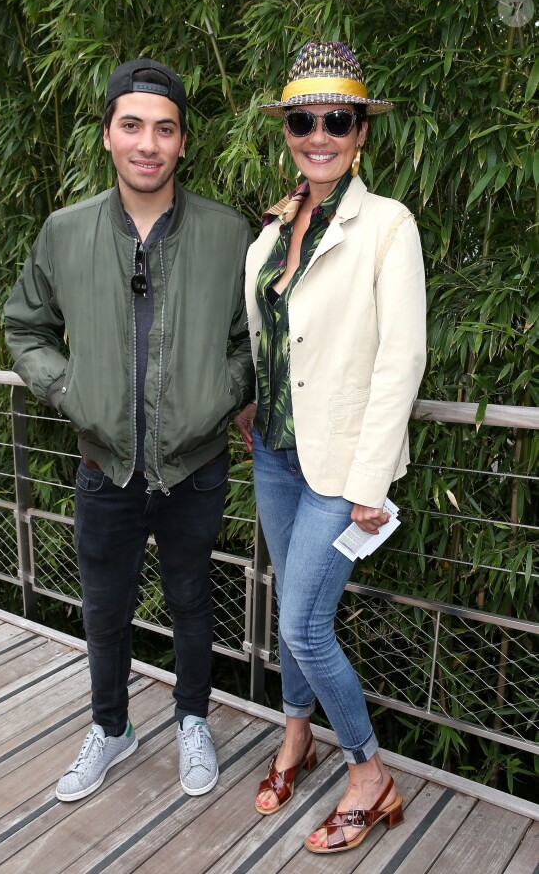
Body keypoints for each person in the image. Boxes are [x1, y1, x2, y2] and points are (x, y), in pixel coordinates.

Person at [4, 58, 254, 801]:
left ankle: (192, 720)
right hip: (103, 466)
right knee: (105, 610)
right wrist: (70, 389)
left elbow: (253, 341)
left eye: (165, 129)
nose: (149, 143)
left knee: (191, 602)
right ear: (109, 135)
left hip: (195, 467)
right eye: (133, 125)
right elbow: (25, 327)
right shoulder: (66, 230)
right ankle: (111, 727)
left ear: (183, 143)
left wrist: (224, 391)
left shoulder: (226, 232)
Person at [235, 42, 426, 853]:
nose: (319, 134)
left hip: (342, 468)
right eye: (303, 120)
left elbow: (402, 358)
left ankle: (368, 772)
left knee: (308, 625)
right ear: (286, 130)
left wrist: (370, 480)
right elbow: (272, 335)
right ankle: (295, 737)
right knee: (290, 605)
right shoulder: (278, 225)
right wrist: (248, 407)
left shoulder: (387, 225)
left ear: (359, 132)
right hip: (275, 452)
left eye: (336, 120)